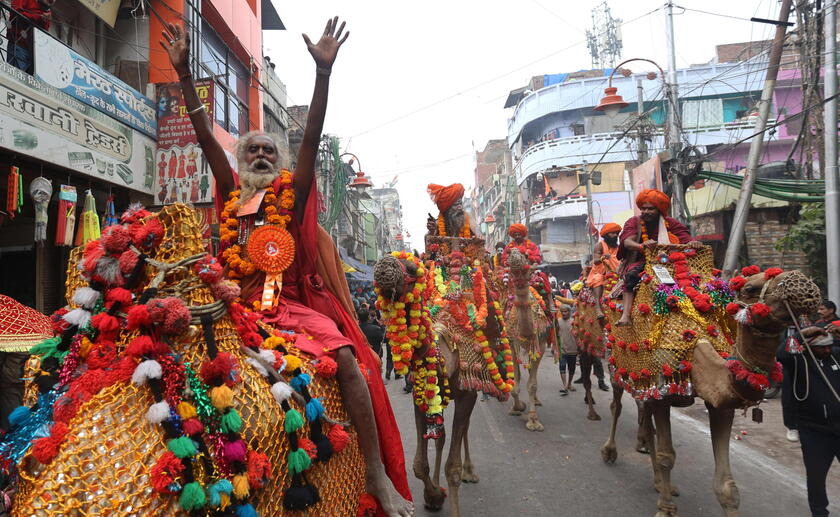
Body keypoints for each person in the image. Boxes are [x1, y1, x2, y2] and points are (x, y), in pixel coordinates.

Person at [161, 18, 412, 516]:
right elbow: (207, 140)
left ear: (278, 164)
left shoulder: (288, 197)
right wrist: (186, 74)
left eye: (268, 151)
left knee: (345, 360)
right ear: (241, 159)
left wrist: (322, 75)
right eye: (251, 149)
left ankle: (374, 472)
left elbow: (311, 139)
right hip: (233, 307)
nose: (259, 154)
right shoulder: (232, 195)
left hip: (291, 309)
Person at [778, 325, 840, 517]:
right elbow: (781, 354)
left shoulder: (835, 357)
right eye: (822, 347)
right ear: (810, 347)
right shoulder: (798, 361)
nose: (827, 350)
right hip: (814, 432)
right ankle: (819, 512)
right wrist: (800, 334)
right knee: (816, 476)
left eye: (829, 346)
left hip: (839, 428)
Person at [615, 189, 701, 326]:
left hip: (668, 262)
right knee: (631, 276)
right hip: (642, 261)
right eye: (643, 208)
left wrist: (693, 243)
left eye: (650, 209)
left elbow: (686, 239)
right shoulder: (634, 222)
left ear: (660, 209)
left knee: (696, 279)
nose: (646, 212)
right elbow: (627, 242)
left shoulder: (670, 223)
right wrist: (642, 246)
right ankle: (625, 316)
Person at [586, 222, 621, 319]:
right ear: (606, 235)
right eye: (612, 233)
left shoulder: (618, 247)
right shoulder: (600, 245)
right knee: (598, 279)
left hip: (615, 272)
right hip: (599, 272)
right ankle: (598, 307)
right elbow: (596, 260)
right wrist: (603, 258)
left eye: (616, 233)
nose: (615, 235)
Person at [6, 0, 53, 73]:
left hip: (35, 54)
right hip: (19, 45)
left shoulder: (47, 10)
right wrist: (38, 17)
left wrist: (44, 20)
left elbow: (44, 32)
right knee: (15, 77)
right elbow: (15, 13)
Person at [555, 305, 578, 395]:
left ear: (569, 312)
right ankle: (564, 385)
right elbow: (555, 335)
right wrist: (555, 346)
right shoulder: (558, 322)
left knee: (571, 368)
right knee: (562, 366)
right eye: (562, 312)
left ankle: (569, 384)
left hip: (573, 348)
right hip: (562, 349)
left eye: (566, 311)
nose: (564, 313)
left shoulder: (574, 322)